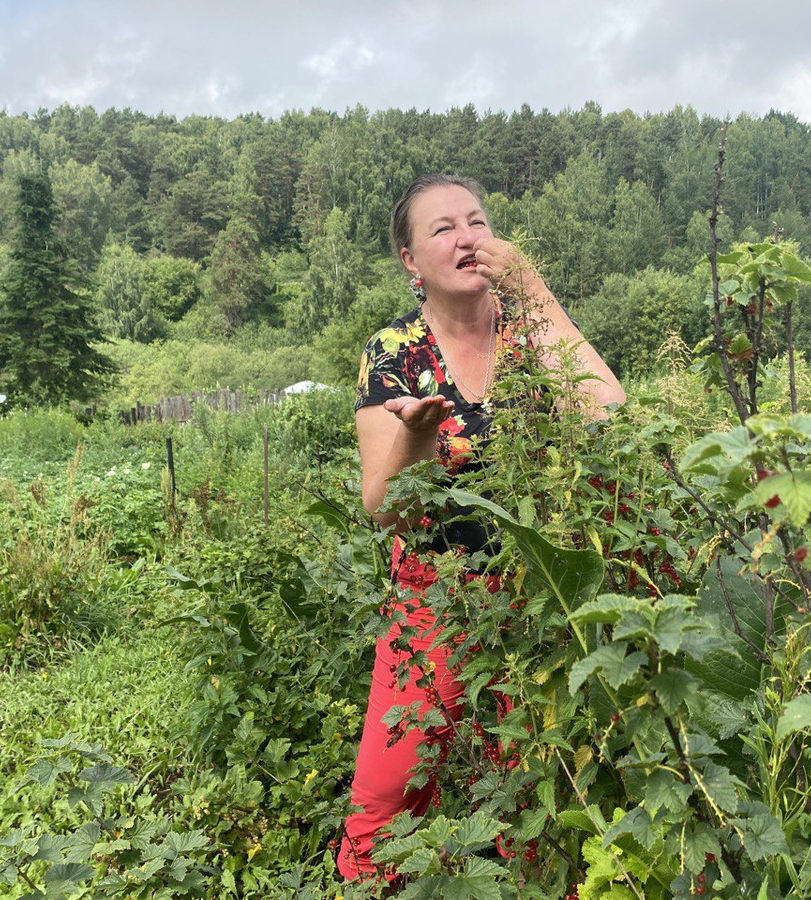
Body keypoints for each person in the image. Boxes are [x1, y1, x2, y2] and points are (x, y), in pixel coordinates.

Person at [337, 173, 624, 880]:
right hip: (434, 597)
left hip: (537, 597)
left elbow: (609, 412)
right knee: (386, 792)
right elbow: (384, 507)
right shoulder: (394, 353)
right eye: (442, 228)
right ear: (410, 260)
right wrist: (418, 442)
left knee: (537, 792)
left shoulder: (531, 331)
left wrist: (535, 292)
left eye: (477, 222)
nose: (467, 237)